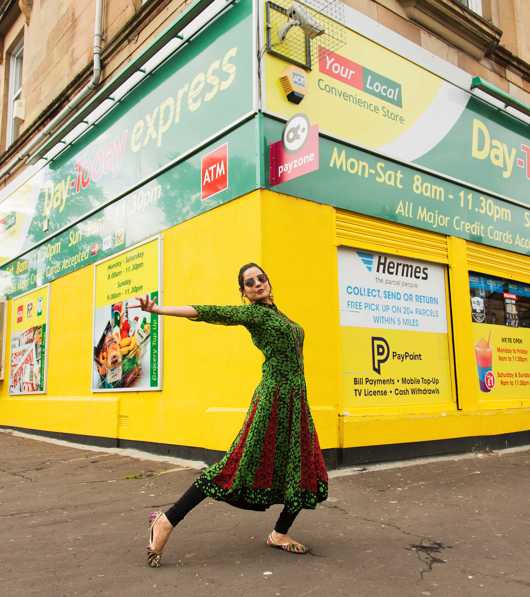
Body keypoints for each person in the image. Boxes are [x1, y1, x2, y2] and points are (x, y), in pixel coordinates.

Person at [137, 263, 328, 567]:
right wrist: (158, 309)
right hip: (273, 399)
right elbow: (209, 311)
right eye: (249, 282)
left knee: (304, 469)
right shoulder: (253, 314)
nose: (256, 283)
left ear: (268, 281)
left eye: (260, 278)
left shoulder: (280, 315)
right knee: (234, 466)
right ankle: (167, 520)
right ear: (244, 293)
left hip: (295, 401)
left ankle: (279, 533)